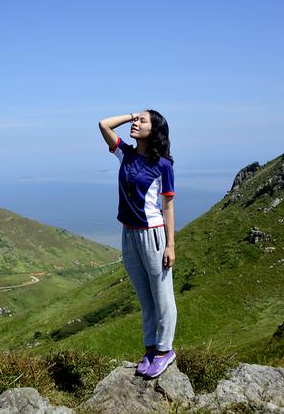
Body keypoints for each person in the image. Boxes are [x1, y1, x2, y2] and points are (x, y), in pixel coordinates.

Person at [98, 110, 177, 378]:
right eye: (136, 120)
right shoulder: (126, 155)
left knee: (162, 296)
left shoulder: (163, 165)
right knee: (145, 298)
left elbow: (168, 206)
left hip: (152, 234)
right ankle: (150, 349)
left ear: (154, 131)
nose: (135, 123)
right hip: (129, 234)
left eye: (142, 121)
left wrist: (170, 245)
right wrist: (132, 113)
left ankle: (166, 351)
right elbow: (103, 124)